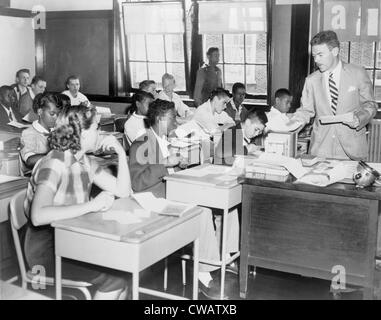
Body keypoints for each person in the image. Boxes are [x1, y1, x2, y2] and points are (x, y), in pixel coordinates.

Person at [128, 99, 239, 299]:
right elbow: (137, 182)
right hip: (152, 201)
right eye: (173, 118)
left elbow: (168, 170)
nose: (176, 123)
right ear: (161, 119)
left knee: (223, 206)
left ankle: (224, 257)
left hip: (172, 193)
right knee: (203, 211)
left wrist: (179, 165)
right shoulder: (142, 143)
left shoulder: (167, 141)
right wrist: (166, 165)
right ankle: (203, 274)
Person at [23, 104, 131, 300]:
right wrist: (92, 205)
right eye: (97, 127)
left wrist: (121, 154)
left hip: (72, 238)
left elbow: (122, 191)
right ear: (82, 135)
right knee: (116, 276)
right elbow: (38, 216)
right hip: (47, 248)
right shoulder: (54, 163)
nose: (101, 132)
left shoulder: (84, 161)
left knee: (123, 266)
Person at [291, 30, 377, 160]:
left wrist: (359, 118)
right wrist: (294, 122)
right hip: (321, 150)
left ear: (335, 51)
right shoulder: (311, 80)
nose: (316, 60)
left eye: (320, 55)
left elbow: (370, 105)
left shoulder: (358, 73)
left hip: (352, 151)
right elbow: (305, 110)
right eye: (314, 56)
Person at [19, 93, 61, 173]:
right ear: (40, 112)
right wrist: (56, 155)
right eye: (52, 114)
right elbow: (30, 160)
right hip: (36, 176)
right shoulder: (29, 133)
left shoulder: (56, 131)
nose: (56, 117)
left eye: (58, 114)